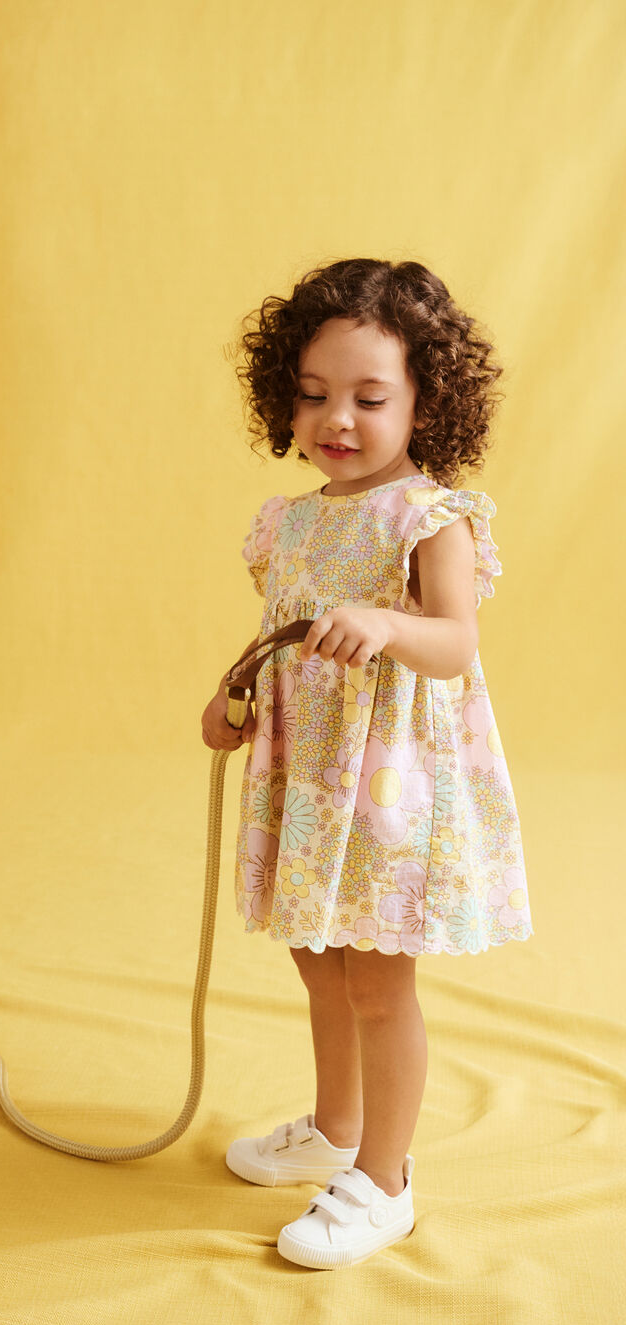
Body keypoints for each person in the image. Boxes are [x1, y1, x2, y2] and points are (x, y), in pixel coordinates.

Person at [200, 257, 533, 1269]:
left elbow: (456, 645)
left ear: (426, 401)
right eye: (312, 396)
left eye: (368, 398)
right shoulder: (293, 521)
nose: (335, 419)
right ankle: (334, 1129)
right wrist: (235, 691)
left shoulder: (432, 516)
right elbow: (285, 630)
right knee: (319, 962)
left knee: (381, 983)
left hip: (387, 790)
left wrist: (387, 625)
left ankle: (384, 1180)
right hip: (309, 783)